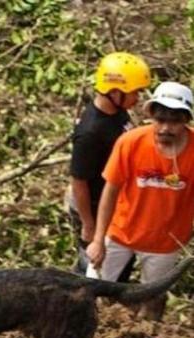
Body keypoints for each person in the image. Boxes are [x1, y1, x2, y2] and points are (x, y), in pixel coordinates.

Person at [86, 81, 194, 320]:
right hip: (120, 232)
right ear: (151, 116)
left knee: (153, 298)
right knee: (89, 290)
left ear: (186, 120)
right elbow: (110, 191)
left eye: (174, 121)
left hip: (165, 241)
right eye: (160, 120)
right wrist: (97, 240)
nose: (166, 128)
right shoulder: (131, 142)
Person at [68, 52, 151, 277]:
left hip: (116, 202)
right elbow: (79, 182)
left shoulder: (118, 111)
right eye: (135, 92)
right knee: (95, 267)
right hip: (94, 205)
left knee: (120, 265)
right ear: (115, 91)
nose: (138, 98)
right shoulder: (91, 132)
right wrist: (89, 225)